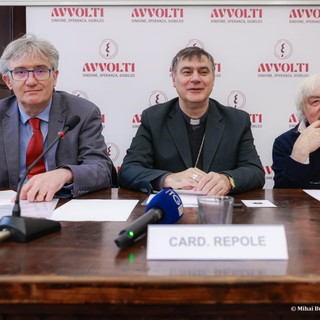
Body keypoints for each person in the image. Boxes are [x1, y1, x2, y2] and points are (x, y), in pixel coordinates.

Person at [118, 46, 265, 194]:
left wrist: (227, 180)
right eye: (187, 72)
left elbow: (255, 172)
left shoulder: (237, 121)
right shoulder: (154, 119)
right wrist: (168, 179)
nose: (195, 79)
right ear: (174, 79)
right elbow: (128, 170)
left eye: (203, 72)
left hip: (219, 210)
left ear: (213, 79)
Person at [0, 34, 116, 202]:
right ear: (8, 81)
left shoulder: (82, 112)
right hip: (9, 207)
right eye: (20, 72)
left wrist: (65, 174)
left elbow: (101, 169)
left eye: (40, 71)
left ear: (54, 77)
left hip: (63, 206)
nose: (31, 81)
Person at [272, 73, 320, 188]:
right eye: (316, 101)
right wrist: (299, 154)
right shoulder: (284, 142)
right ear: (302, 110)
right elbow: (281, 195)